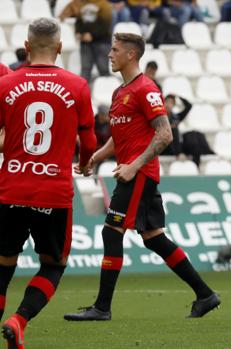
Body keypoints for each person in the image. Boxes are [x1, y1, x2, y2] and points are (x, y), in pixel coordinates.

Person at [64, 33, 219, 321]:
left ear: (131, 55)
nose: (109, 54)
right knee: (153, 238)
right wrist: (97, 156)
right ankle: (205, 295)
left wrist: (133, 166)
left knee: (111, 231)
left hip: (139, 174)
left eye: (115, 50)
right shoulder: (118, 91)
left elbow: (165, 134)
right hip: (132, 171)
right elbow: (119, 136)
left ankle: (102, 308)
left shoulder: (146, 89)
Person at [0, 18, 97, 349]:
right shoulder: (78, 86)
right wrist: (83, 165)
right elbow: (89, 139)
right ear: (59, 47)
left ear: (26, 46)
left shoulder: (6, 84)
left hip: (10, 187)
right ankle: (19, 319)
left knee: (3, 262)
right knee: (52, 265)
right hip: (53, 192)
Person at [75, 0, 113, 83]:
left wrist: (92, 35)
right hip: (85, 42)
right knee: (85, 70)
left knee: (103, 69)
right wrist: (78, 32)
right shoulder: (82, 4)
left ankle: (106, 93)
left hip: (102, 42)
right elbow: (78, 20)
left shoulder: (104, 5)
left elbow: (106, 25)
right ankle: (81, 94)